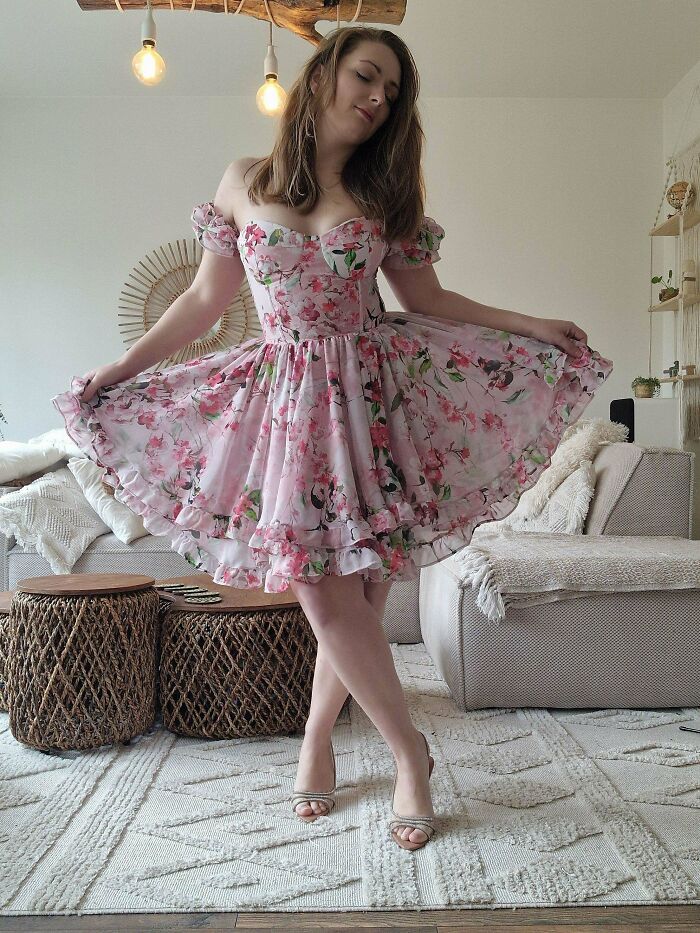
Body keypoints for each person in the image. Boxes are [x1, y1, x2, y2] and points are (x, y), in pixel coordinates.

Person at [52, 25, 613, 852]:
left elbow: (429, 301)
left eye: (391, 90)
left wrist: (530, 324)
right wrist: (120, 366)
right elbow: (205, 303)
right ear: (322, 75)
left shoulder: (382, 195)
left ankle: (317, 744)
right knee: (321, 590)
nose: (378, 97)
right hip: (286, 411)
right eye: (366, 76)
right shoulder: (245, 181)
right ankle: (407, 752)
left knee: (356, 597)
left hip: (371, 405)